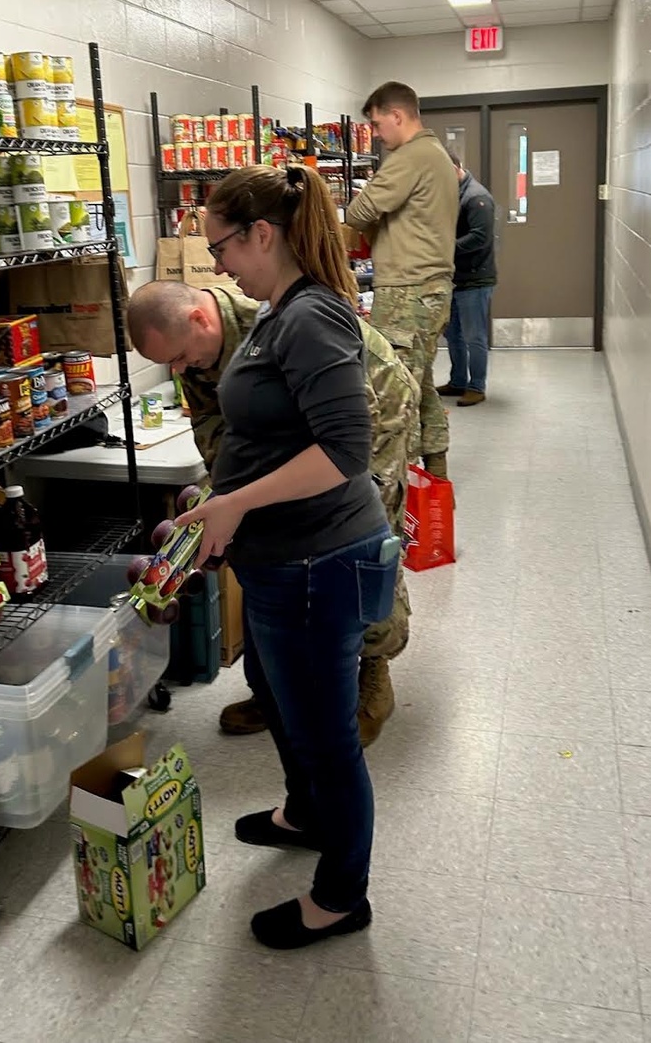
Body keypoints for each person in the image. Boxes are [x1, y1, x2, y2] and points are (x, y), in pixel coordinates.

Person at [169, 163, 399, 951]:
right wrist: (218, 501)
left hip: (317, 564)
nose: (217, 263)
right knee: (285, 704)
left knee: (326, 736)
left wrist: (232, 503)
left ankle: (342, 895)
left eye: (221, 246)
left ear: (262, 234)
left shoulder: (311, 318)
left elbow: (344, 449)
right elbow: (271, 432)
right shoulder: (276, 310)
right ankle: (303, 814)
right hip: (282, 561)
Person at [127, 279, 417, 746]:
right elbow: (214, 428)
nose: (179, 368)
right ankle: (275, 687)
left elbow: (327, 436)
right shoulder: (196, 350)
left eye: (179, 355)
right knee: (263, 544)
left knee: (361, 550)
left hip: (373, 413)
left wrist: (252, 496)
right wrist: (227, 499)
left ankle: (373, 672)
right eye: (170, 363)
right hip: (304, 433)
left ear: (201, 319)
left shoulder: (279, 330)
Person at [345, 81, 458, 478]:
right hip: (430, 289)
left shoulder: (411, 156)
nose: (376, 134)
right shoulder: (437, 154)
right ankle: (437, 479)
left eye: (377, 124)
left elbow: (360, 211)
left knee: (394, 393)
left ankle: (401, 496)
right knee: (421, 384)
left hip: (408, 291)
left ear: (397, 115)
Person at [436, 150, 497, 406]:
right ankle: (458, 380)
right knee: (454, 335)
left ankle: (476, 386)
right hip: (455, 278)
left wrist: (444, 247)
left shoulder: (476, 198)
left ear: (454, 168)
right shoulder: (454, 194)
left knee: (474, 336)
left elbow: (479, 237)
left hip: (474, 280)